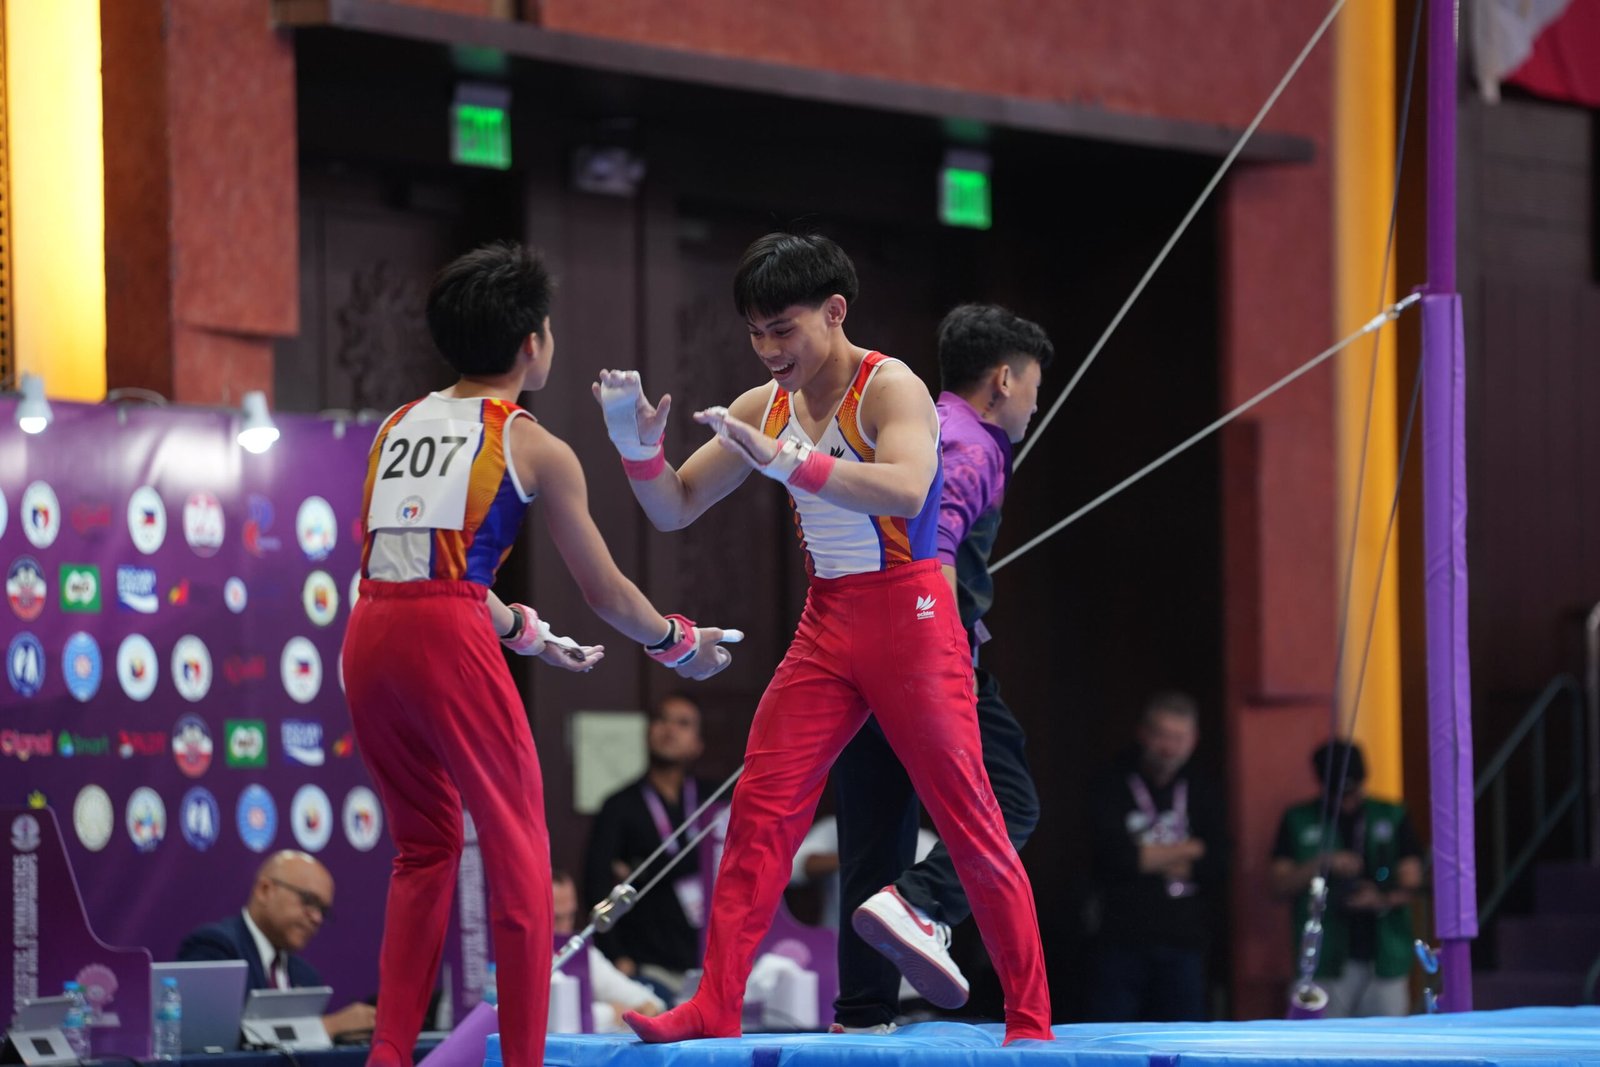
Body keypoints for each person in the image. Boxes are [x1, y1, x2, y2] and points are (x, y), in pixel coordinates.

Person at [591, 231, 1053, 1044]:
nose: (770, 350)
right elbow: (675, 506)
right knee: (763, 809)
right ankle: (714, 1002)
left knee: (971, 814)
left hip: (912, 621)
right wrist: (637, 449)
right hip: (827, 624)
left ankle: (1030, 1018)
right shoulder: (758, 406)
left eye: (785, 329)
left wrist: (793, 462)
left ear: (835, 313)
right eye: (756, 332)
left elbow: (910, 488)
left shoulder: (891, 388)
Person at [341, 240, 733, 1067]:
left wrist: (518, 628)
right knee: (519, 850)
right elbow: (604, 591)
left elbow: (407, 564)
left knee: (424, 845)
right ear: (533, 343)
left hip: (370, 635)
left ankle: (385, 1055)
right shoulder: (533, 445)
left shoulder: (394, 426)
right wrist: (675, 641)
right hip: (446, 634)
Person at [829, 303, 1052, 1032]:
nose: (1036, 402)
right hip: (927, 655)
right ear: (1005, 379)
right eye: (1035, 387)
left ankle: (862, 1011)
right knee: (1012, 802)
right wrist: (948, 661)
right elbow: (935, 551)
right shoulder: (969, 443)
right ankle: (921, 902)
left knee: (875, 833)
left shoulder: (928, 425)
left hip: (857, 649)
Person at [1084, 691, 1228, 1022]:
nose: (1169, 747)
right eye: (1162, 735)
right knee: (1114, 1039)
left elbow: (1218, 860)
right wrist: (1188, 848)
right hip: (1122, 936)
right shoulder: (1112, 782)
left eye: (1179, 737)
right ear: (1144, 733)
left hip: (1185, 939)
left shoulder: (1203, 788)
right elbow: (1114, 857)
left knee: (1185, 1038)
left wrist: (1148, 856)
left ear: (1193, 740)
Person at [1270, 739, 1423, 1018]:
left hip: (1382, 954)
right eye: (1338, 793)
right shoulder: (1299, 818)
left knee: (1386, 1050)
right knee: (1318, 1048)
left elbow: (1413, 881)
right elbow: (1278, 885)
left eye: (1353, 791)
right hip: (1323, 956)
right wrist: (1322, 862)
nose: (1347, 800)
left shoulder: (1391, 814)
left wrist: (1379, 898)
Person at [583, 693, 712, 1000]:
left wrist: (640, 868)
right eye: (662, 719)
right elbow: (597, 884)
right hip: (646, 962)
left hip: (709, 959)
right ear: (647, 732)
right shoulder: (618, 806)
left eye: (683, 724)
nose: (669, 729)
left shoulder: (714, 800)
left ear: (697, 744)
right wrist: (616, 955)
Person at [178, 850, 377, 1039]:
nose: (316, 917)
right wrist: (327, 1027)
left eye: (323, 910)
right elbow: (210, 1039)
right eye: (308, 900)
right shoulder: (215, 948)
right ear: (265, 890)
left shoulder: (306, 977)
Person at [552, 871, 665, 1031]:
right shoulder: (514, 956)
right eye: (556, 918)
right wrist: (611, 1013)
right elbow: (553, 1018)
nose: (565, 928)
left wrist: (647, 1007)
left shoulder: (578, 949)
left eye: (570, 916)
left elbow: (650, 1002)